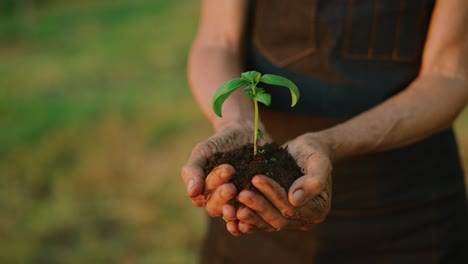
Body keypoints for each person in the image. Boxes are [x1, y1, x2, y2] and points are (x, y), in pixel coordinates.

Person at [181, 0, 468, 263]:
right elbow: (218, 42)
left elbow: (448, 75)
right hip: (254, 212)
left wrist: (328, 142)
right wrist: (236, 123)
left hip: (407, 207)